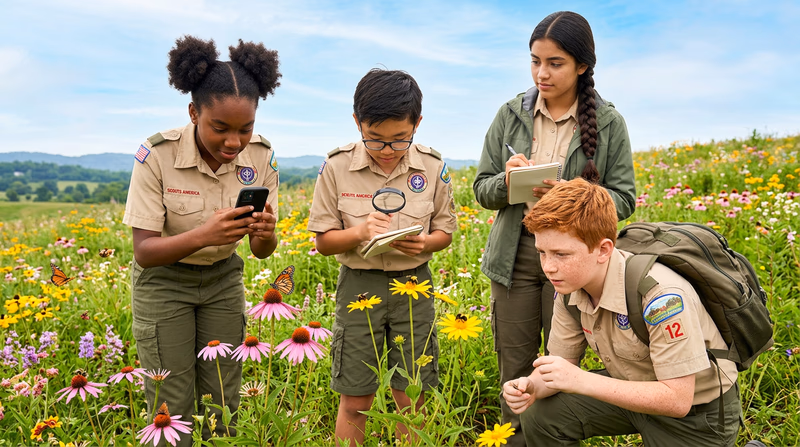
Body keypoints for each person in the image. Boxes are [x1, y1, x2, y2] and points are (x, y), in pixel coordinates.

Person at [472, 11, 636, 445]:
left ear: (583, 65)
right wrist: (507, 181)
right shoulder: (511, 113)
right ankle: (514, 440)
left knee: (561, 365)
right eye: (534, 61)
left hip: (573, 260)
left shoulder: (608, 122)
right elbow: (481, 189)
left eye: (555, 63)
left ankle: (551, 438)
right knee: (515, 364)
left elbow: (624, 199)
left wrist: (573, 194)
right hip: (515, 255)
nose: (541, 73)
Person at [123, 35, 281, 445]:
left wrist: (265, 234)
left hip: (222, 281)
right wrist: (203, 235)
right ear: (193, 112)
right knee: (170, 399)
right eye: (220, 128)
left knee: (224, 396)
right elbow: (144, 251)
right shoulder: (156, 155)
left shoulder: (261, 156)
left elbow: (262, 252)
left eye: (246, 129)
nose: (234, 142)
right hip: (163, 284)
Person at [502, 178, 741, 446]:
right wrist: (531, 386)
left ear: (603, 249)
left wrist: (580, 381)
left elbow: (677, 400)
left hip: (696, 416)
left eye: (561, 254)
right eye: (542, 252)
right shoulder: (570, 287)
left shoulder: (661, 297)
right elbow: (562, 367)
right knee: (541, 413)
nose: (548, 267)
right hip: (629, 389)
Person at [307, 68, 456, 446]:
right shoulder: (337, 167)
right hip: (359, 286)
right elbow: (323, 241)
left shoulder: (434, 167)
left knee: (412, 394)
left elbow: (445, 232)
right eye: (374, 140)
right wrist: (360, 233)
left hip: (414, 283)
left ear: (417, 125)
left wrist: (425, 244)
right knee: (356, 396)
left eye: (399, 140)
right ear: (357, 123)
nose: (387, 151)